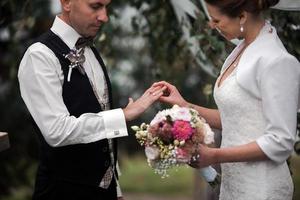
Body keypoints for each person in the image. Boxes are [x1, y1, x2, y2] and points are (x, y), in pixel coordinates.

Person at [18, 0, 165, 200]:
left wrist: (114, 186)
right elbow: (56, 131)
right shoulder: (40, 56)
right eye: (95, 6)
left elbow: (99, 123)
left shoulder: (89, 48)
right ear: (67, 3)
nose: (105, 17)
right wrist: (123, 115)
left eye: (107, 7)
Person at [154, 0, 300, 199]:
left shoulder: (276, 61)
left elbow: (280, 142)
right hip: (234, 184)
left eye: (216, 20)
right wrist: (184, 105)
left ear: (242, 16)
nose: (212, 26)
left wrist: (214, 156)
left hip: (261, 186)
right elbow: (238, 118)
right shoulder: (241, 50)